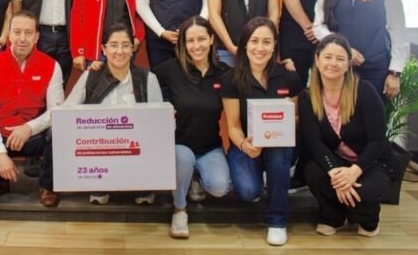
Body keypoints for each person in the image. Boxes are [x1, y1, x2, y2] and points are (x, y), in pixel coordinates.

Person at [299, 33, 398, 237]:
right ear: (317, 60)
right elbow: (313, 142)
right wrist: (336, 173)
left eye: (340, 58)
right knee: (313, 172)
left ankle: (368, 220)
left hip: (371, 161)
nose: (333, 63)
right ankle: (332, 216)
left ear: (348, 64)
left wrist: (354, 171)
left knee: (362, 193)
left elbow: (378, 140)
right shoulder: (308, 96)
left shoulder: (365, 91)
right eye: (327, 57)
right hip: (337, 161)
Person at [0, 10, 65, 206]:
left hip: (35, 134)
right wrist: (1, 154)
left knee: (60, 133)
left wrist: (29, 128)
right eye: (17, 32)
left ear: (36, 37)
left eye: (28, 33)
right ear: (9, 34)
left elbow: (56, 112)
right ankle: (1, 176)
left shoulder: (52, 66)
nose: (22, 38)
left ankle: (47, 185)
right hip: (1, 132)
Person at [220, 17, 303, 246]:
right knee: (248, 191)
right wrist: (246, 145)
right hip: (247, 146)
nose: (260, 48)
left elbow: (296, 118)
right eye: (254, 41)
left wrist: (283, 121)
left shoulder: (288, 75)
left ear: (274, 45)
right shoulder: (231, 79)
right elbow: (233, 126)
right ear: (245, 44)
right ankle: (266, 179)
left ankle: (277, 221)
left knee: (278, 157)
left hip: (279, 144)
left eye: (266, 42)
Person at [63, 23, 164, 205]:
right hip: (99, 155)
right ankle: (101, 182)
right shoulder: (90, 76)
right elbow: (66, 112)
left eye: (125, 45)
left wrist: (168, 120)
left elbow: (159, 125)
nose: (120, 51)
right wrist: (30, 128)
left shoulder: (148, 79)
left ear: (133, 49)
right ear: (103, 48)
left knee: (144, 198)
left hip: (137, 154)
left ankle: (140, 182)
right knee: (98, 196)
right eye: (114, 45)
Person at [152, 16, 231, 239]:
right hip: (179, 145)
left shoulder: (224, 73)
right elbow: (139, 80)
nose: (196, 46)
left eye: (201, 39)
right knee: (184, 158)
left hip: (210, 148)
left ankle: (194, 178)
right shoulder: (171, 69)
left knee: (219, 187)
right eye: (190, 41)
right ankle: (179, 209)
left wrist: (283, 66)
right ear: (183, 44)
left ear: (211, 40)